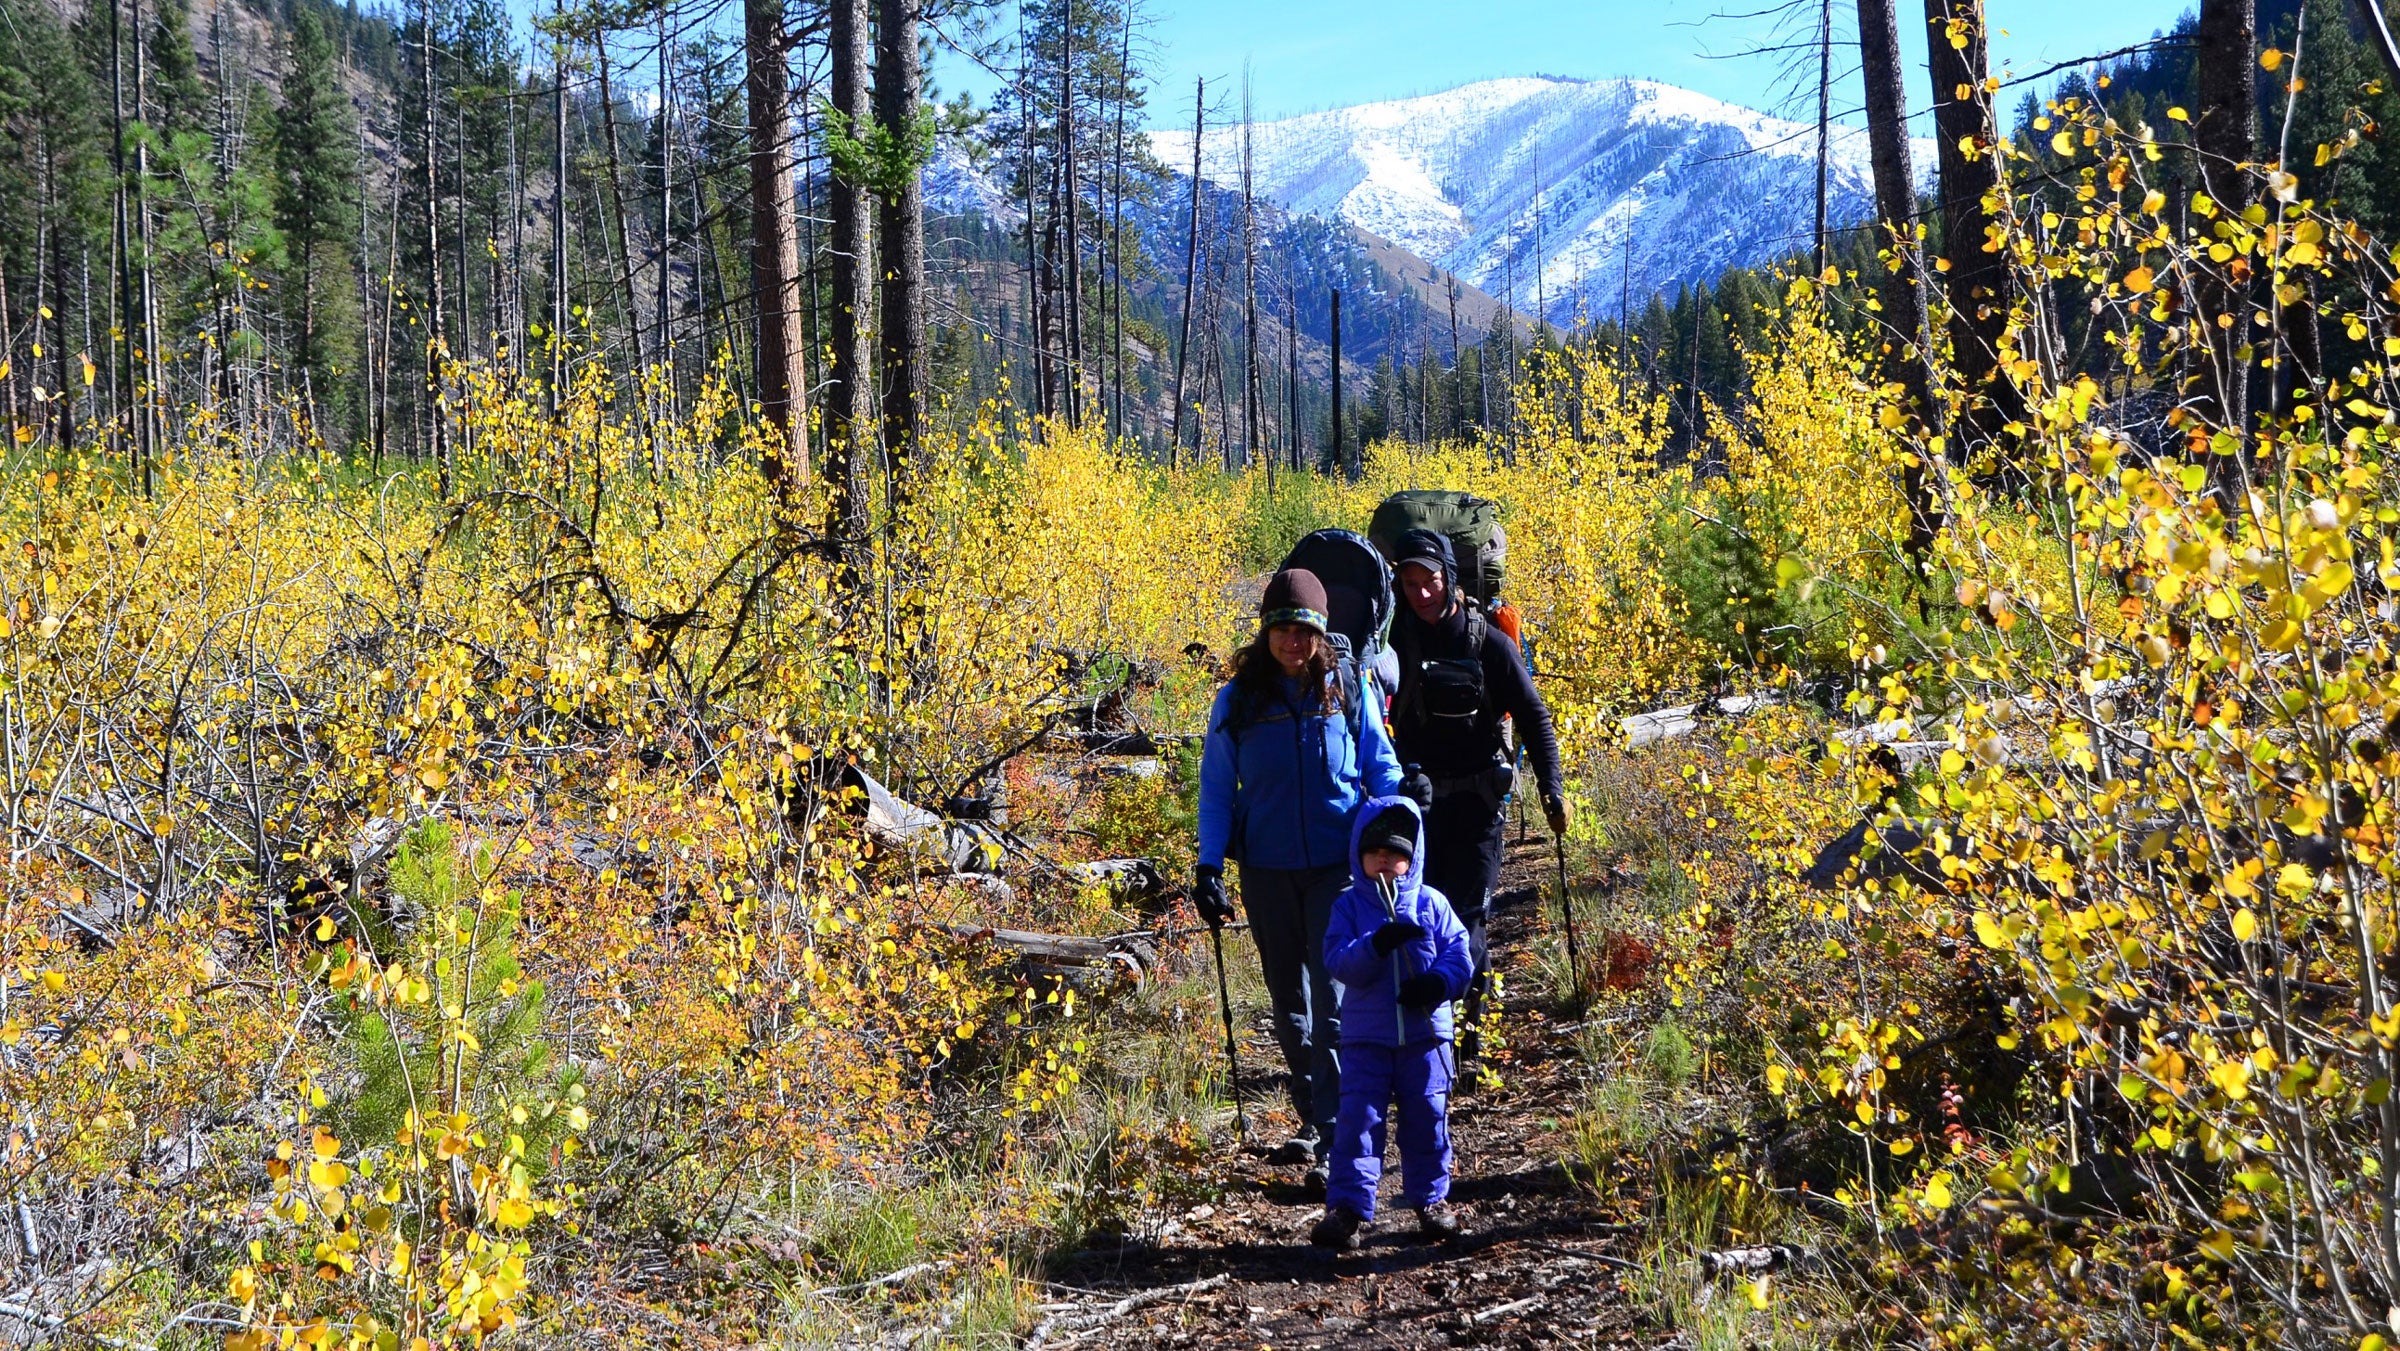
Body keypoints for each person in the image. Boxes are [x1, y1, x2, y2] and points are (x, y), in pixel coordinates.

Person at [1195, 568, 1405, 1193]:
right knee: (1289, 1005)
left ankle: (1338, 1136)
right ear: (1266, 634)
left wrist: (1394, 833)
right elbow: (1216, 789)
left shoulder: (1347, 686)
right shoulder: (1239, 700)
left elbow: (1380, 766)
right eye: (1282, 629)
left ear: (1321, 632)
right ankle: (1316, 1119)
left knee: (1333, 998)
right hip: (1265, 869)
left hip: (1336, 870)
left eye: (1304, 629)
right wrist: (1209, 865)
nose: (1293, 641)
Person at [1384, 528, 1568, 1056]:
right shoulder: (1396, 645)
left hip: (1480, 807)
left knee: (1467, 924)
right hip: (1418, 809)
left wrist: (1551, 789)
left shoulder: (1488, 642)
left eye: (1431, 582)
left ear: (1451, 579)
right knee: (1421, 919)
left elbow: (1534, 716)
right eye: (1411, 583)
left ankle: (1467, 1041)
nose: (1422, 594)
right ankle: (1431, 1038)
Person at [1312, 797, 1473, 1249]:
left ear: (1413, 856)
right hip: (1366, 1037)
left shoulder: (1431, 903)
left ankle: (1431, 1201)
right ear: (1357, 856)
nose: (1384, 859)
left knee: (1427, 1117)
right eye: (1374, 851)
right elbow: (1338, 961)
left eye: (1395, 853)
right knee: (1358, 1121)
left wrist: (1437, 984)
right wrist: (1376, 944)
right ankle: (1347, 1209)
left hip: (1425, 1037)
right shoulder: (1347, 908)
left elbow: (1459, 954)